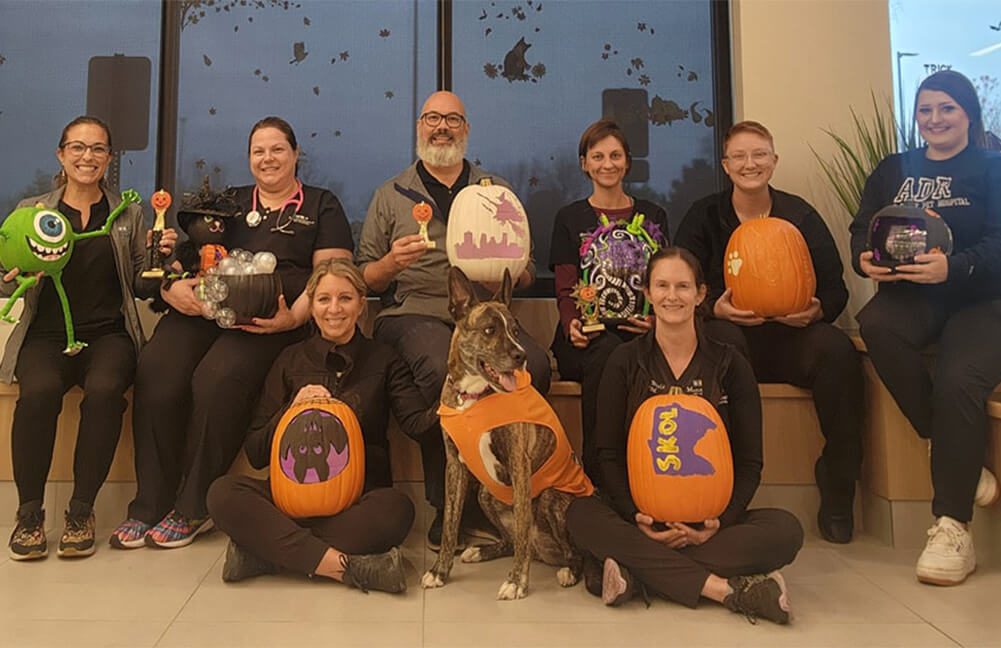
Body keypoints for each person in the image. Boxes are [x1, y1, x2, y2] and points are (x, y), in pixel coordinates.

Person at [111, 116, 354, 549]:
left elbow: (330, 276)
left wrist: (292, 319)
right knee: (158, 368)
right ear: (249, 158)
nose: (268, 158)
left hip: (268, 322)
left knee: (217, 377)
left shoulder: (321, 204)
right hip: (204, 310)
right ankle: (149, 503)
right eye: (258, 151)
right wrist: (171, 289)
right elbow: (182, 261)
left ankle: (192, 505)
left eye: (278, 149)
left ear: (296, 154)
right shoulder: (228, 203)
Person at [566, 247, 803, 625]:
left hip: (708, 520)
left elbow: (750, 461)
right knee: (580, 514)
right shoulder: (624, 361)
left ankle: (633, 571)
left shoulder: (729, 364)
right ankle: (726, 590)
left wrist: (720, 523)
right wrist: (635, 515)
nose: (671, 296)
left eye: (682, 286)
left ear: (701, 294)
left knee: (785, 530)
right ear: (646, 292)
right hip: (639, 516)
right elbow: (606, 452)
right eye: (661, 285)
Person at [356, 91, 551, 549]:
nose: (441, 127)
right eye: (432, 118)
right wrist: (390, 264)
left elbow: (525, 269)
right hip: (413, 311)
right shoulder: (390, 194)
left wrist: (516, 267)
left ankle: (503, 496)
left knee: (534, 368)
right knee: (441, 370)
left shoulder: (495, 191)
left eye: (452, 119)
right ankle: (450, 509)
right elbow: (364, 275)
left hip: (484, 315)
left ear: (466, 129)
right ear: (419, 127)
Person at [675, 120, 863, 544]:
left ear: (773, 161)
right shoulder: (704, 215)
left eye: (759, 154)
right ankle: (725, 491)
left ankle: (837, 486)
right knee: (724, 341)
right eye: (739, 156)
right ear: (725, 165)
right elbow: (677, 283)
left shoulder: (801, 216)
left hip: (791, 339)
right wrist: (711, 306)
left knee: (837, 351)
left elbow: (835, 288)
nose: (750, 163)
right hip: (729, 338)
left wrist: (816, 311)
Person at [850, 70, 1001, 586]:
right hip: (912, 295)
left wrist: (954, 267)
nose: (934, 120)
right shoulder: (895, 168)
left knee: (960, 380)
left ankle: (952, 525)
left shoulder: (992, 166)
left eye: (947, 109)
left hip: (984, 301)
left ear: (968, 115)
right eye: (925, 110)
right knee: (875, 324)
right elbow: (863, 224)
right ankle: (945, 440)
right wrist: (863, 260)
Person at [3, 116, 176, 560]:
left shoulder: (128, 214)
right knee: (37, 393)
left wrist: (163, 261)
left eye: (98, 149)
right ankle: (29, 515)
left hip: (107, 336)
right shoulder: (31, 211)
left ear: (109, 159)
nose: (88, 156)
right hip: (44, 336)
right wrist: (11, 279)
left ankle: (81, 511)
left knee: (103, 392)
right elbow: (6, 280)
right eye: (78, 147)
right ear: (60, 155)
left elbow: (142, 284)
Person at [206, 259, 434, 592]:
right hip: (288, 499)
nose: (334, 309)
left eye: (345, 298)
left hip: (359, 499)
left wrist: (459, 401)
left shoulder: (384, 359)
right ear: (311, 307)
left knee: (397, 511)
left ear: (360, 305)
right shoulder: (290, 359)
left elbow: (417, 424)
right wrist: (290, 409)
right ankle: (346, 568)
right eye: (324, 299)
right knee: (222, 494)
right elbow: (256, 452)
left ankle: (267, 554)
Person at [548, 119, 668, 484]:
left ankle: (645, 472)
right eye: (597, 156)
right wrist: (572, 325)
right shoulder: (570, 218)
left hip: (641, 332)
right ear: (584, 163)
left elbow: (665, 281)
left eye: (615, 155)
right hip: (585, 339)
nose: (607, 164)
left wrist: (657, 323)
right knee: (608, 351)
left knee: (633, 353)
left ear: (627, 162)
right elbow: (566, 286)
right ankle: (600, 473)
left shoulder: (653, 216)